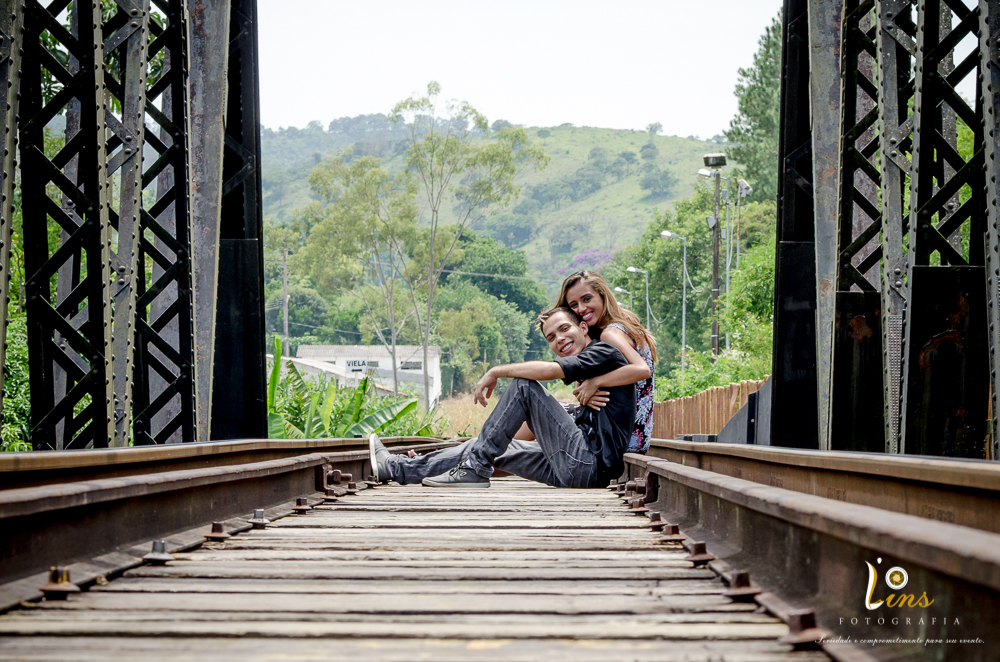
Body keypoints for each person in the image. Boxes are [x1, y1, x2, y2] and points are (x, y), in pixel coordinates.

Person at [369, 307, 636, 489]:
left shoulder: (603, 352)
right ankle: (395, 467)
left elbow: (550, 371)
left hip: (586, 466)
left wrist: (496, 370)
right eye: (551, 337)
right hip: (575, 467)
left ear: (583, 326)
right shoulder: (590, 370)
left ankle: (475, 467)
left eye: (565, 329)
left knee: (523, 386)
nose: (560, 340)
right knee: (485, 445)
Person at [557, 271, 657, 454]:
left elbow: (642, 370)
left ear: (603, 296)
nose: (581, 308)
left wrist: (596, 382)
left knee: (540, 411)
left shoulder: (610, 334)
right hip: (630, 434)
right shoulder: (623, 324)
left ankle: (489, 462)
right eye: (574, 305)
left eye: (587, 299)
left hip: (619, 435)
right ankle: (491, 462)